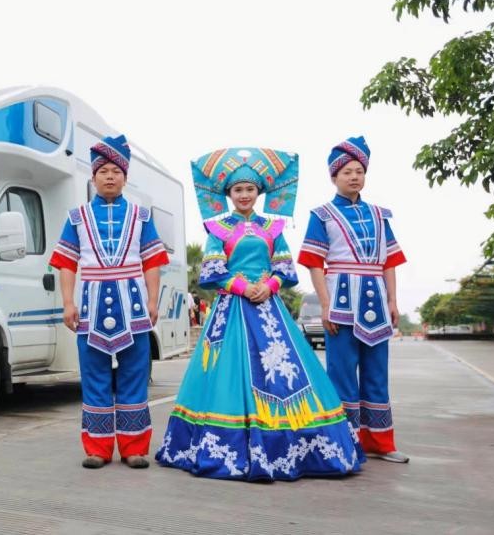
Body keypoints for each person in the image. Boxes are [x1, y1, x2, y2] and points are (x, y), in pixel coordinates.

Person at [155, 148, 362, 481]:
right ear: (229, 194)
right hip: (232, 308)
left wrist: (271, 284)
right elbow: (211, 270)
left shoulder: (273, 226)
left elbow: (284, 265)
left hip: (269, 306)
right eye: (238, 190)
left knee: (287, 374)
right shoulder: (218, 228)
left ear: (259, 193)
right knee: (226, 374)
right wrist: (241, 286)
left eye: (250, 189)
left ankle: (298, 447)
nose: (244, 195)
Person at [49, 134, 169, 469]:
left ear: (126, 176)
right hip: (91, 308)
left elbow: (152, 262)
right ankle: (97, 448)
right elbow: (67, 263)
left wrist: (153, 300)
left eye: (116, 170)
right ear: (93, 177)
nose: (110, 176)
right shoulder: (78, 217)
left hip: (133, 309)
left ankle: (133, 448)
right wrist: (68, 303)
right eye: (103, 171)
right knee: (94, 376)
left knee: (134, 375)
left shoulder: (142, 216)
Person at [297, 136, 409, 463]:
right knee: (341, 373)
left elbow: (389, 262)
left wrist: (393, 300)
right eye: (346, 171)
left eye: (359, 170)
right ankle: (345, 443)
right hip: (342, 301)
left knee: (377, 372)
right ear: (334, 177)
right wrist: (326, 303)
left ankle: (381, 443)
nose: (354, 176)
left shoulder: (380, 215)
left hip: (375, 301)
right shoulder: (323, 215)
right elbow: (315, 263)